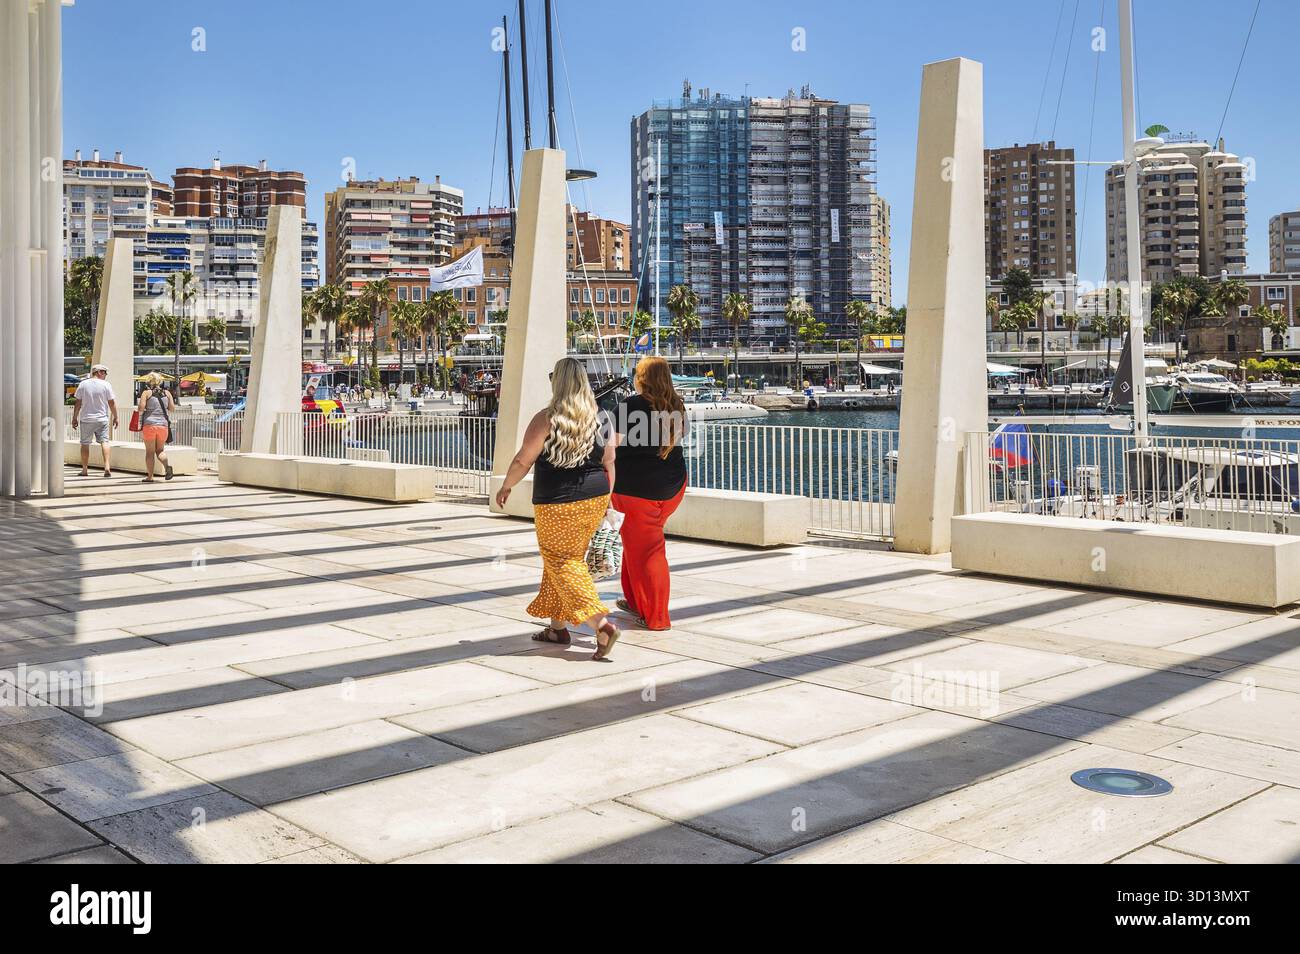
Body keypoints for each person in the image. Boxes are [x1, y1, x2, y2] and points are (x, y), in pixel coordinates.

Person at [496, 357, 621, 660]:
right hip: (595, 497)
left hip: (557, 502)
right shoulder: (601, 417)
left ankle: (601, 625)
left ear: (559, 382)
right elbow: (610, 462)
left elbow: (523, 460)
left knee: (561, 561)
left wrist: (506, 486)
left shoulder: (547, 418)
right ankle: (557, 629)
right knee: (565, 559)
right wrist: (608, 500)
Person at [611, 356, 688, 630]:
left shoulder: (630, 405)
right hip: (671, 488)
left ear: (641, 378)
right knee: (637, 544)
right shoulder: (677, 405)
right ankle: (634, 601)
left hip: (636, 492)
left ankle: (657, 618)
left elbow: (611, 448)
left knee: (649, 550)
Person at [71, 364, 118, 477]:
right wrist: (116, 416)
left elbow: (78, 403)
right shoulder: (106, 385)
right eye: (104, 372)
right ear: (99, 372)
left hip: (86, 419)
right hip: (102, 419)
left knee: (85, 444)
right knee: (105, 442)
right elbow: (111, 403)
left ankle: (85, 470)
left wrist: (74, 417)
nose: (105, 375)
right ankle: (107, 467)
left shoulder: (83, 384)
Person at [135, 373, 174, 482]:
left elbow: (141, 408)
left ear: (149, 382)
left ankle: (150, 476)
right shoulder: (167, 393)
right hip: (163, 426)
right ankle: (167, 466)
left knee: (150, 452)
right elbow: (172, 408)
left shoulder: (146, 393)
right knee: (160, 450)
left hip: (150, 425)